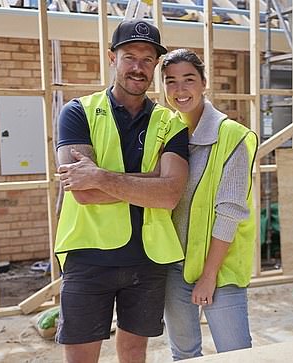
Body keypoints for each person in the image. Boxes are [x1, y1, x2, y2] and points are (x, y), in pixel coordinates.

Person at [54, 20, 189, 363]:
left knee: (133, 353)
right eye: (130, 56)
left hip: (147, 260)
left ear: (156, 65)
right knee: (82, 356)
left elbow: (170, 194)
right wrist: (149, 180)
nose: (138, 67)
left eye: (147, 59)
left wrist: (99, 175)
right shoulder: (77, 112)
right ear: (112, 58)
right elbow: (81, 191)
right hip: (88, 257)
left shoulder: (170, 122)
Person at [160, 48, 258, 360]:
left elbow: (229, 213)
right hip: (175, 266)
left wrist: (208, 275)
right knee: (184, 354)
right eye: (171, 81)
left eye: (188, 79)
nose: (180, 89)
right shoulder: (166, 133)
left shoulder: (232, 136)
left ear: (204, 83)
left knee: (235, 355)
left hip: (221, 268)